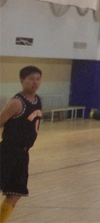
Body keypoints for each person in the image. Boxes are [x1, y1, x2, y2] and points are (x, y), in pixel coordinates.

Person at [0, 66, 43, 223]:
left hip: (23, 154)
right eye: (31, 79)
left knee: (15, 193)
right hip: (7, 152)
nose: (35, 82)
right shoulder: (17, 103)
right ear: (22, 80)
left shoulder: (37, 100)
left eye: (38, 79)